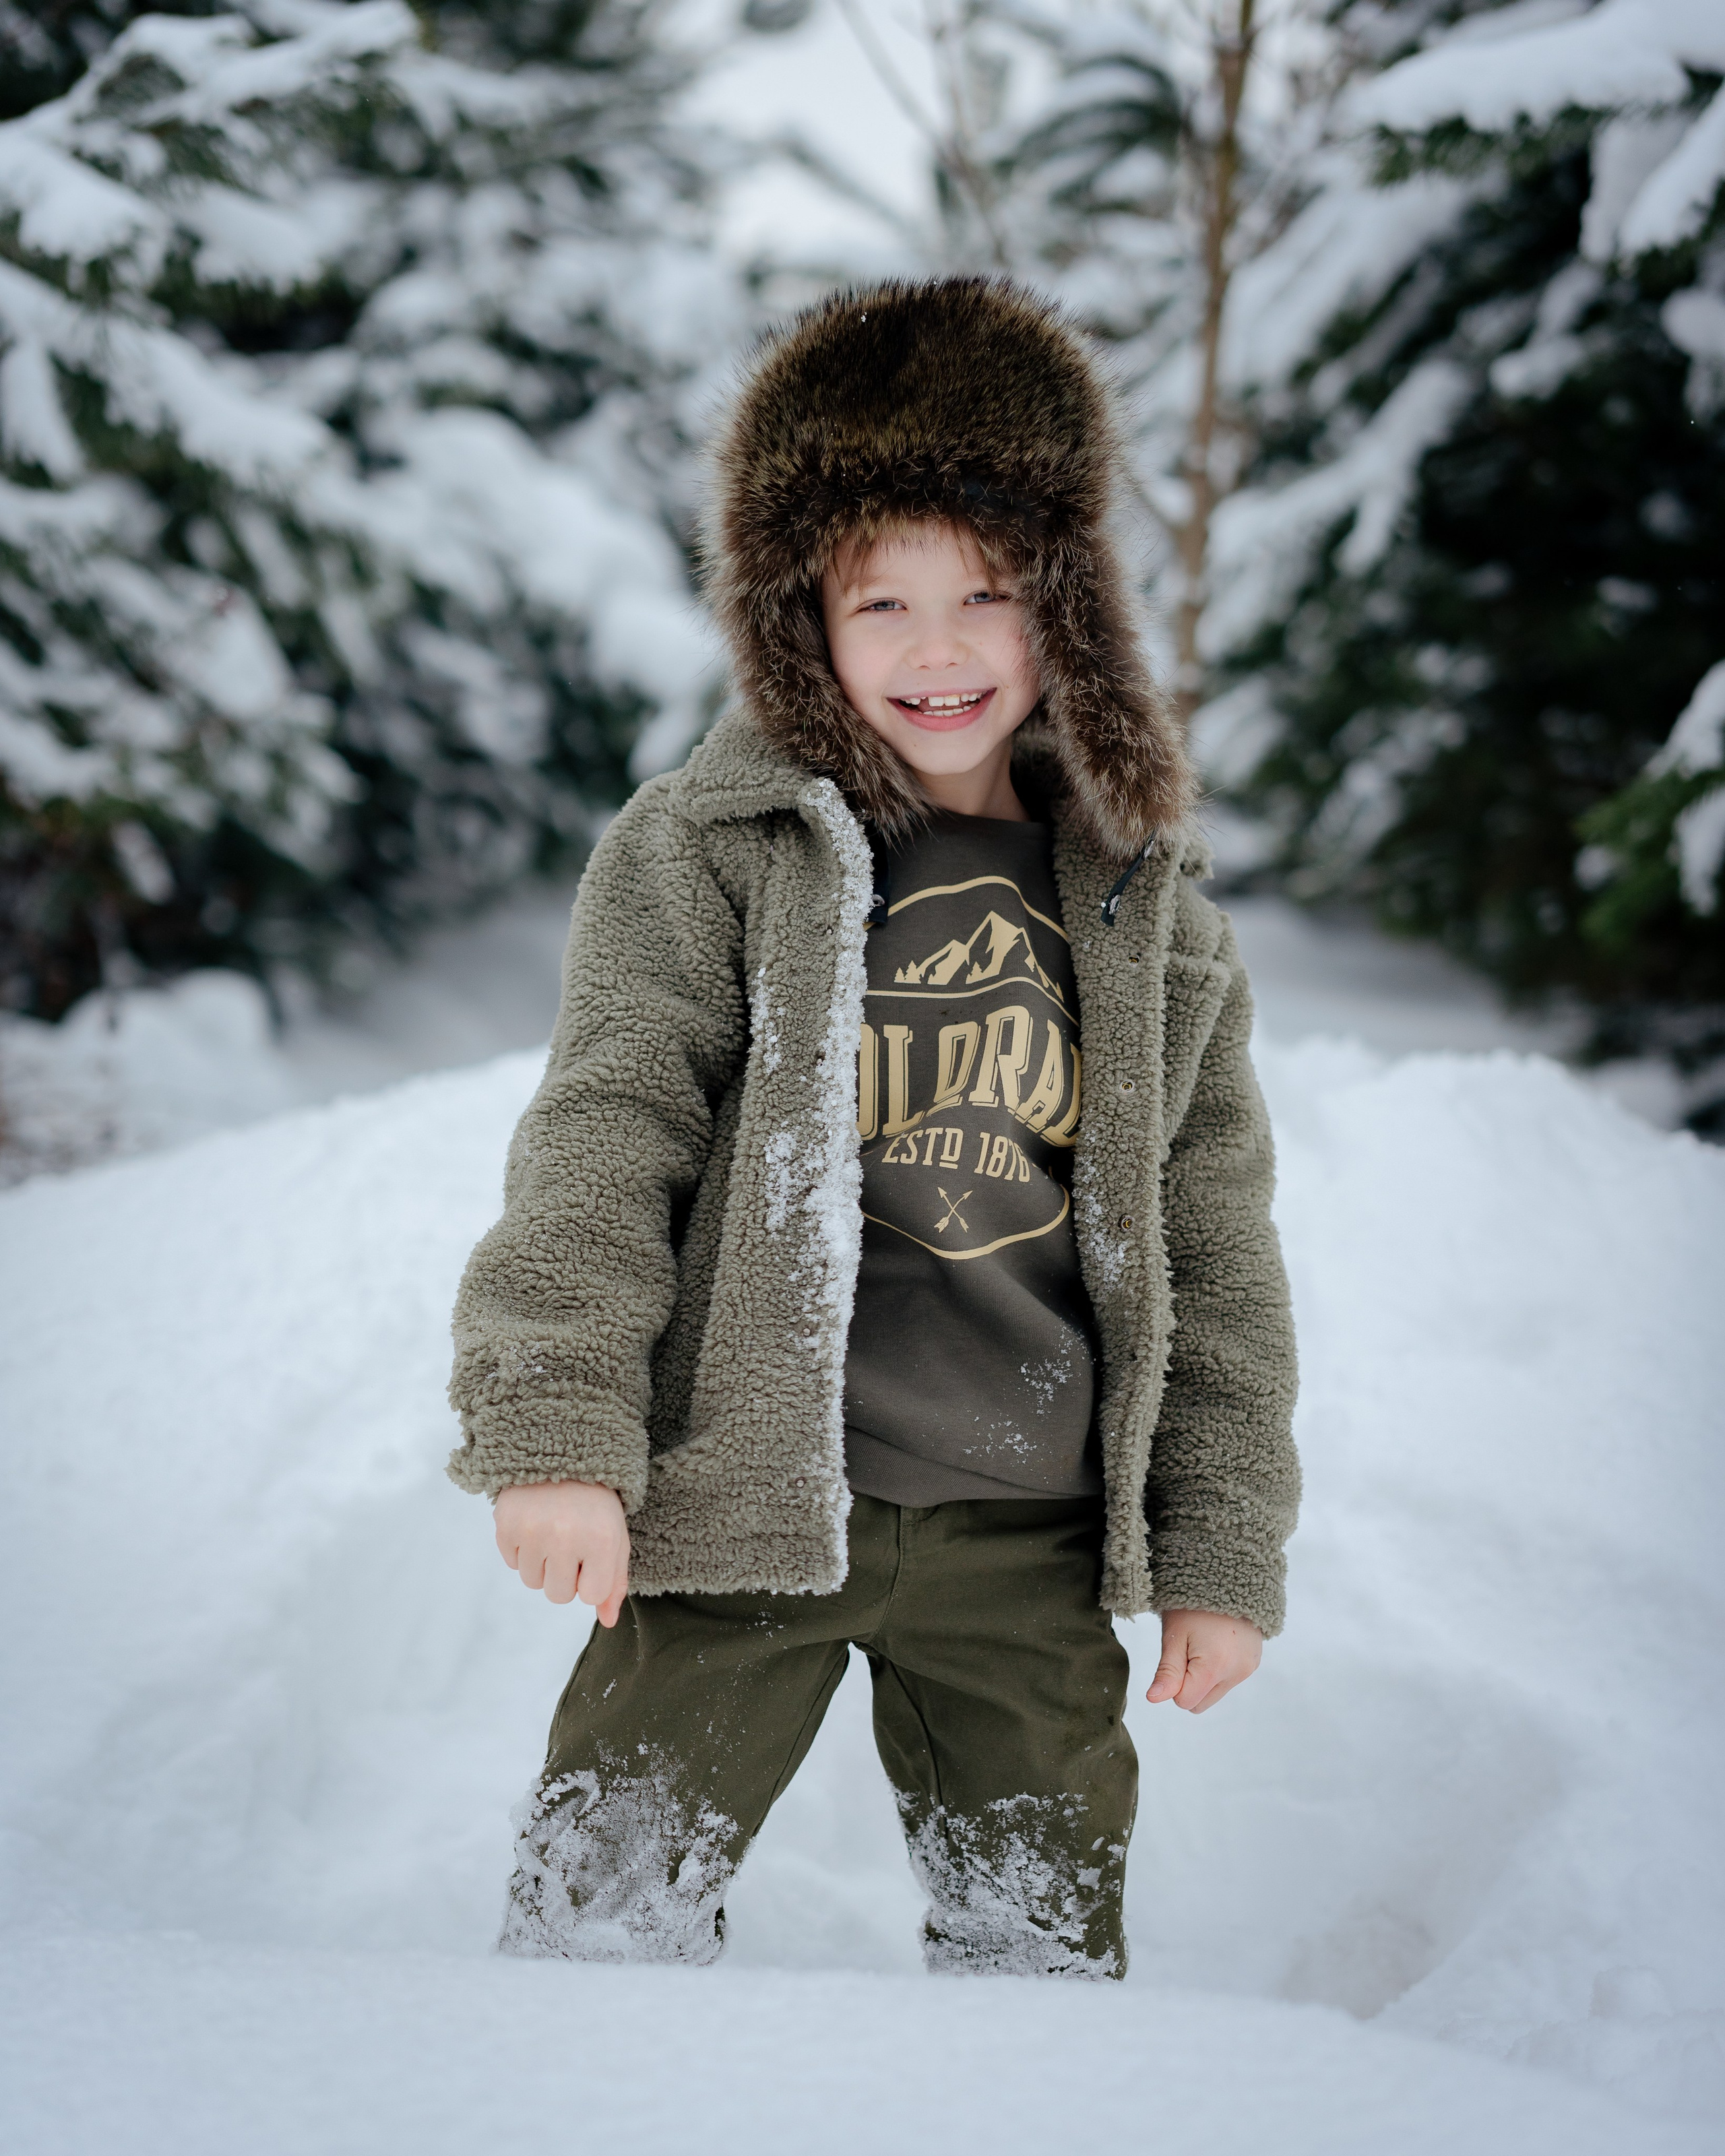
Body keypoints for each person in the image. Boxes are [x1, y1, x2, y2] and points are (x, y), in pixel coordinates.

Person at [447, 277, 1299, 1977]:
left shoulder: (1140, 909)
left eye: (987, 593)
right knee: (598, 1917)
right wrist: (556, 1425)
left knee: (1042, 1960)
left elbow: (1213, 1244)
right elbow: (605, 1134)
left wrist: (1218, 1543)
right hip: (739, 1509)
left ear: (1066, 608)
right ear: (793, 622)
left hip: (1026, 1538)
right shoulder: (713, 850)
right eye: (879, 599)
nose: (937, 649)